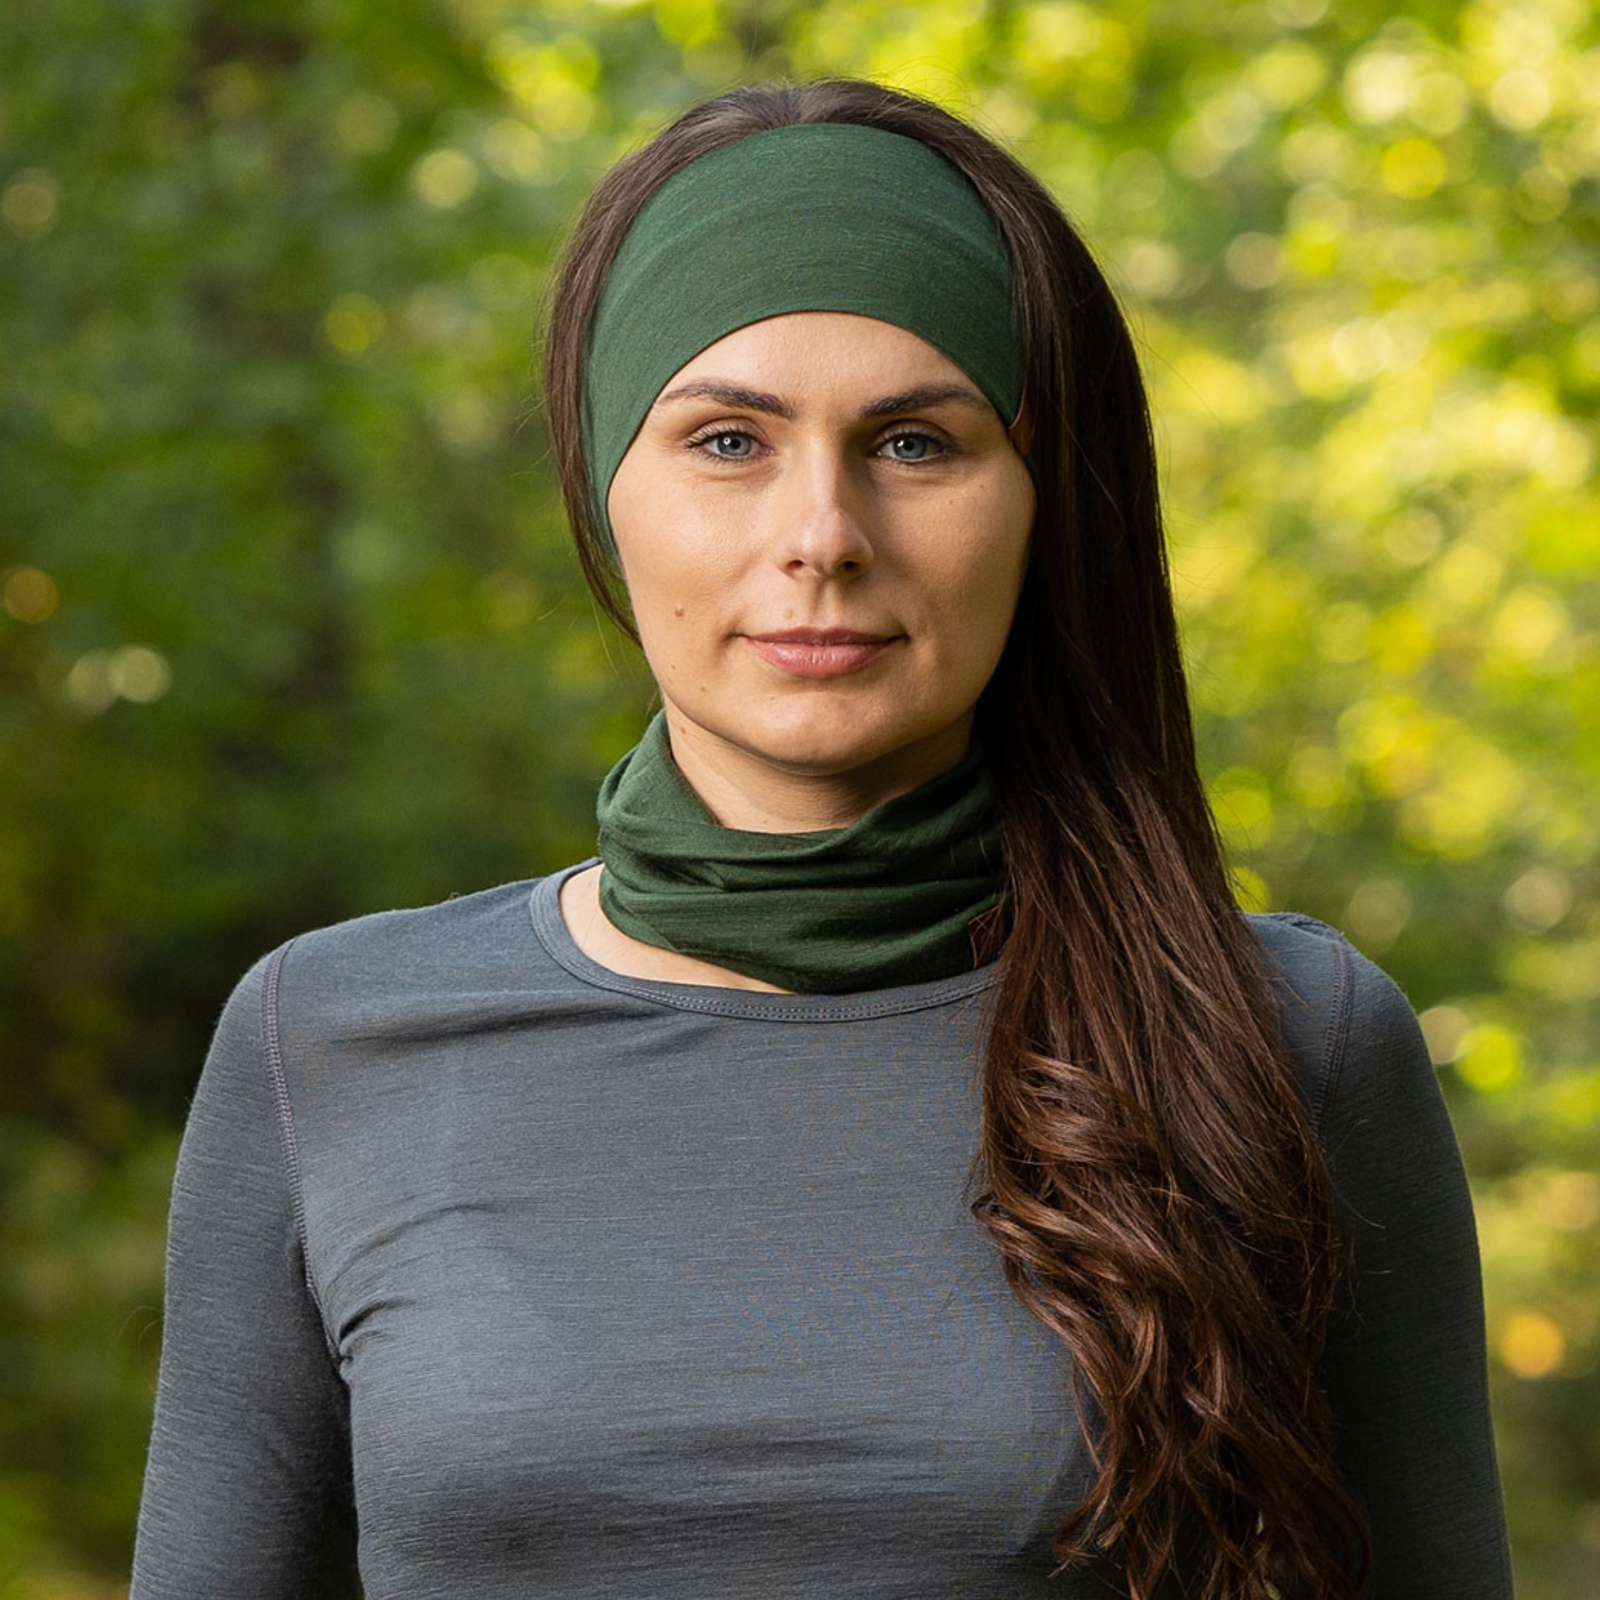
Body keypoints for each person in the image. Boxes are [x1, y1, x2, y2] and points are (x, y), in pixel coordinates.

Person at [129, 77, 1513, 1600]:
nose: (822, 537)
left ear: (1046, 499)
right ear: (606, 485)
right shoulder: (326, 1042)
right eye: (728, 439)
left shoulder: (1290, 1039)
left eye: (915, 443)